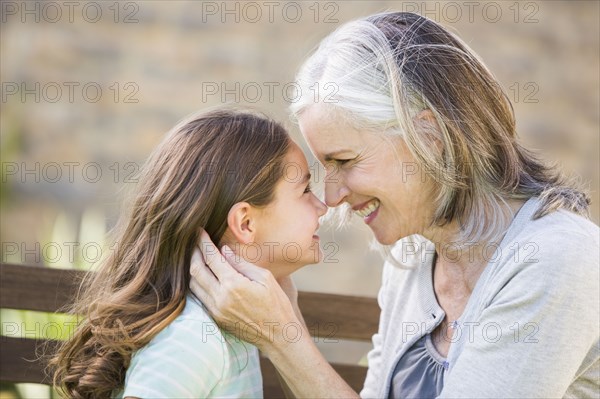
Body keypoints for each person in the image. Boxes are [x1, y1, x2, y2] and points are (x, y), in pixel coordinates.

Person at [190, 12, 600, 398]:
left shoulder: (557, 258)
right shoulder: (414, 252)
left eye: (344, 161)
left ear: (428, 136)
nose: (332, 199)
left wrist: (282, 339)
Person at [50, 108, 327, 398]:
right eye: (306, 189)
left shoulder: (227, 325)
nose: (323, 205)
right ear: (245, 223)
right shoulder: (194, 337)